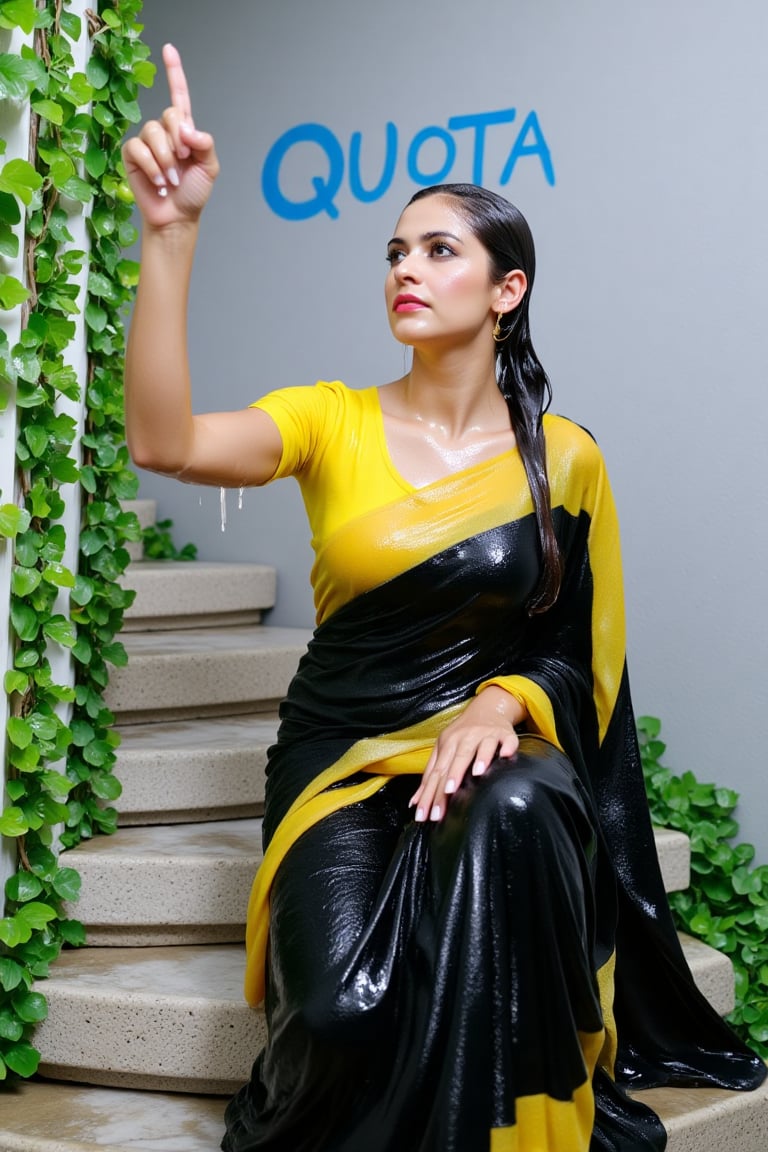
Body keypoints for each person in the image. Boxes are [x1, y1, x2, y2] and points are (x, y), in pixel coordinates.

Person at [122, 44, 766, 1152]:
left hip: (493, 757)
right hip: (340, 757)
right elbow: (165, 439)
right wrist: (170, 237)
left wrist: (504, 699)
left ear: (506, 290)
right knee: (342, 1009)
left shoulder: (563, 460)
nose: (403, 270)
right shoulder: (328, 419)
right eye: (393, 252)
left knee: (516, 810)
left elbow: (581, 652)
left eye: (437, 248)